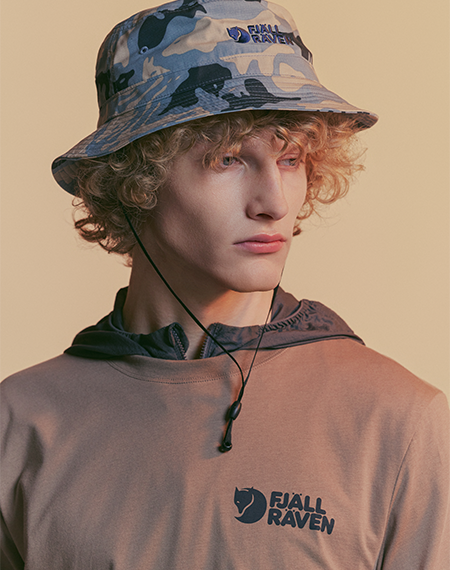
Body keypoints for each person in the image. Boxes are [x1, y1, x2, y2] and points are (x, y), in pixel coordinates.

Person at [0, 0, 449, 568]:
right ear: (134, 180)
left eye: (291, 159)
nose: (273, 203)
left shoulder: (399, 420)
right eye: (228, 159)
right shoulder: (19, 421)